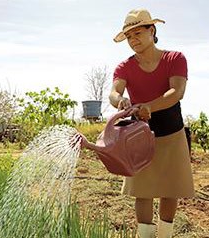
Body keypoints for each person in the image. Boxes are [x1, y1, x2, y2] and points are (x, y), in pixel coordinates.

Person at [81, 9, 194, 238]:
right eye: (129, 36)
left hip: (172, 132)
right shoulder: (125, 67)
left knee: (169, 189)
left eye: (138, 33)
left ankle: (165, 234)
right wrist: (120, 100)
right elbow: (114, 92)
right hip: (138, 136)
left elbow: (176, 92)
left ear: (152, 31)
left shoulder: (175, 58)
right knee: (143, 190)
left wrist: (149, 106)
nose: (133, 40)